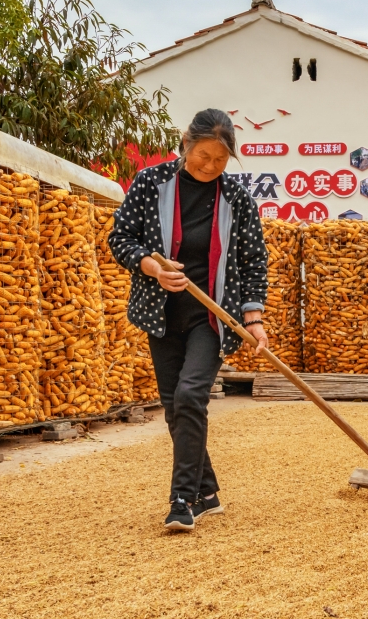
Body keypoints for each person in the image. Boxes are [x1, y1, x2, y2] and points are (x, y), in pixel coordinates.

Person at [109, 108, 269, 530]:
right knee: (174, 407)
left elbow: (255, 261)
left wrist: (253, 318)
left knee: (190, 396)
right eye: (202, 156)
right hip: (161, 313)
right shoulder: (150, 184)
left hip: (214, 317)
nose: (210, 166)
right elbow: (120, 238)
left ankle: (183, 500)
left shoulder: (236, 198)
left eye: (219, 160)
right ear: (185, 144)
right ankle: (208, 491)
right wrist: (152, 267)